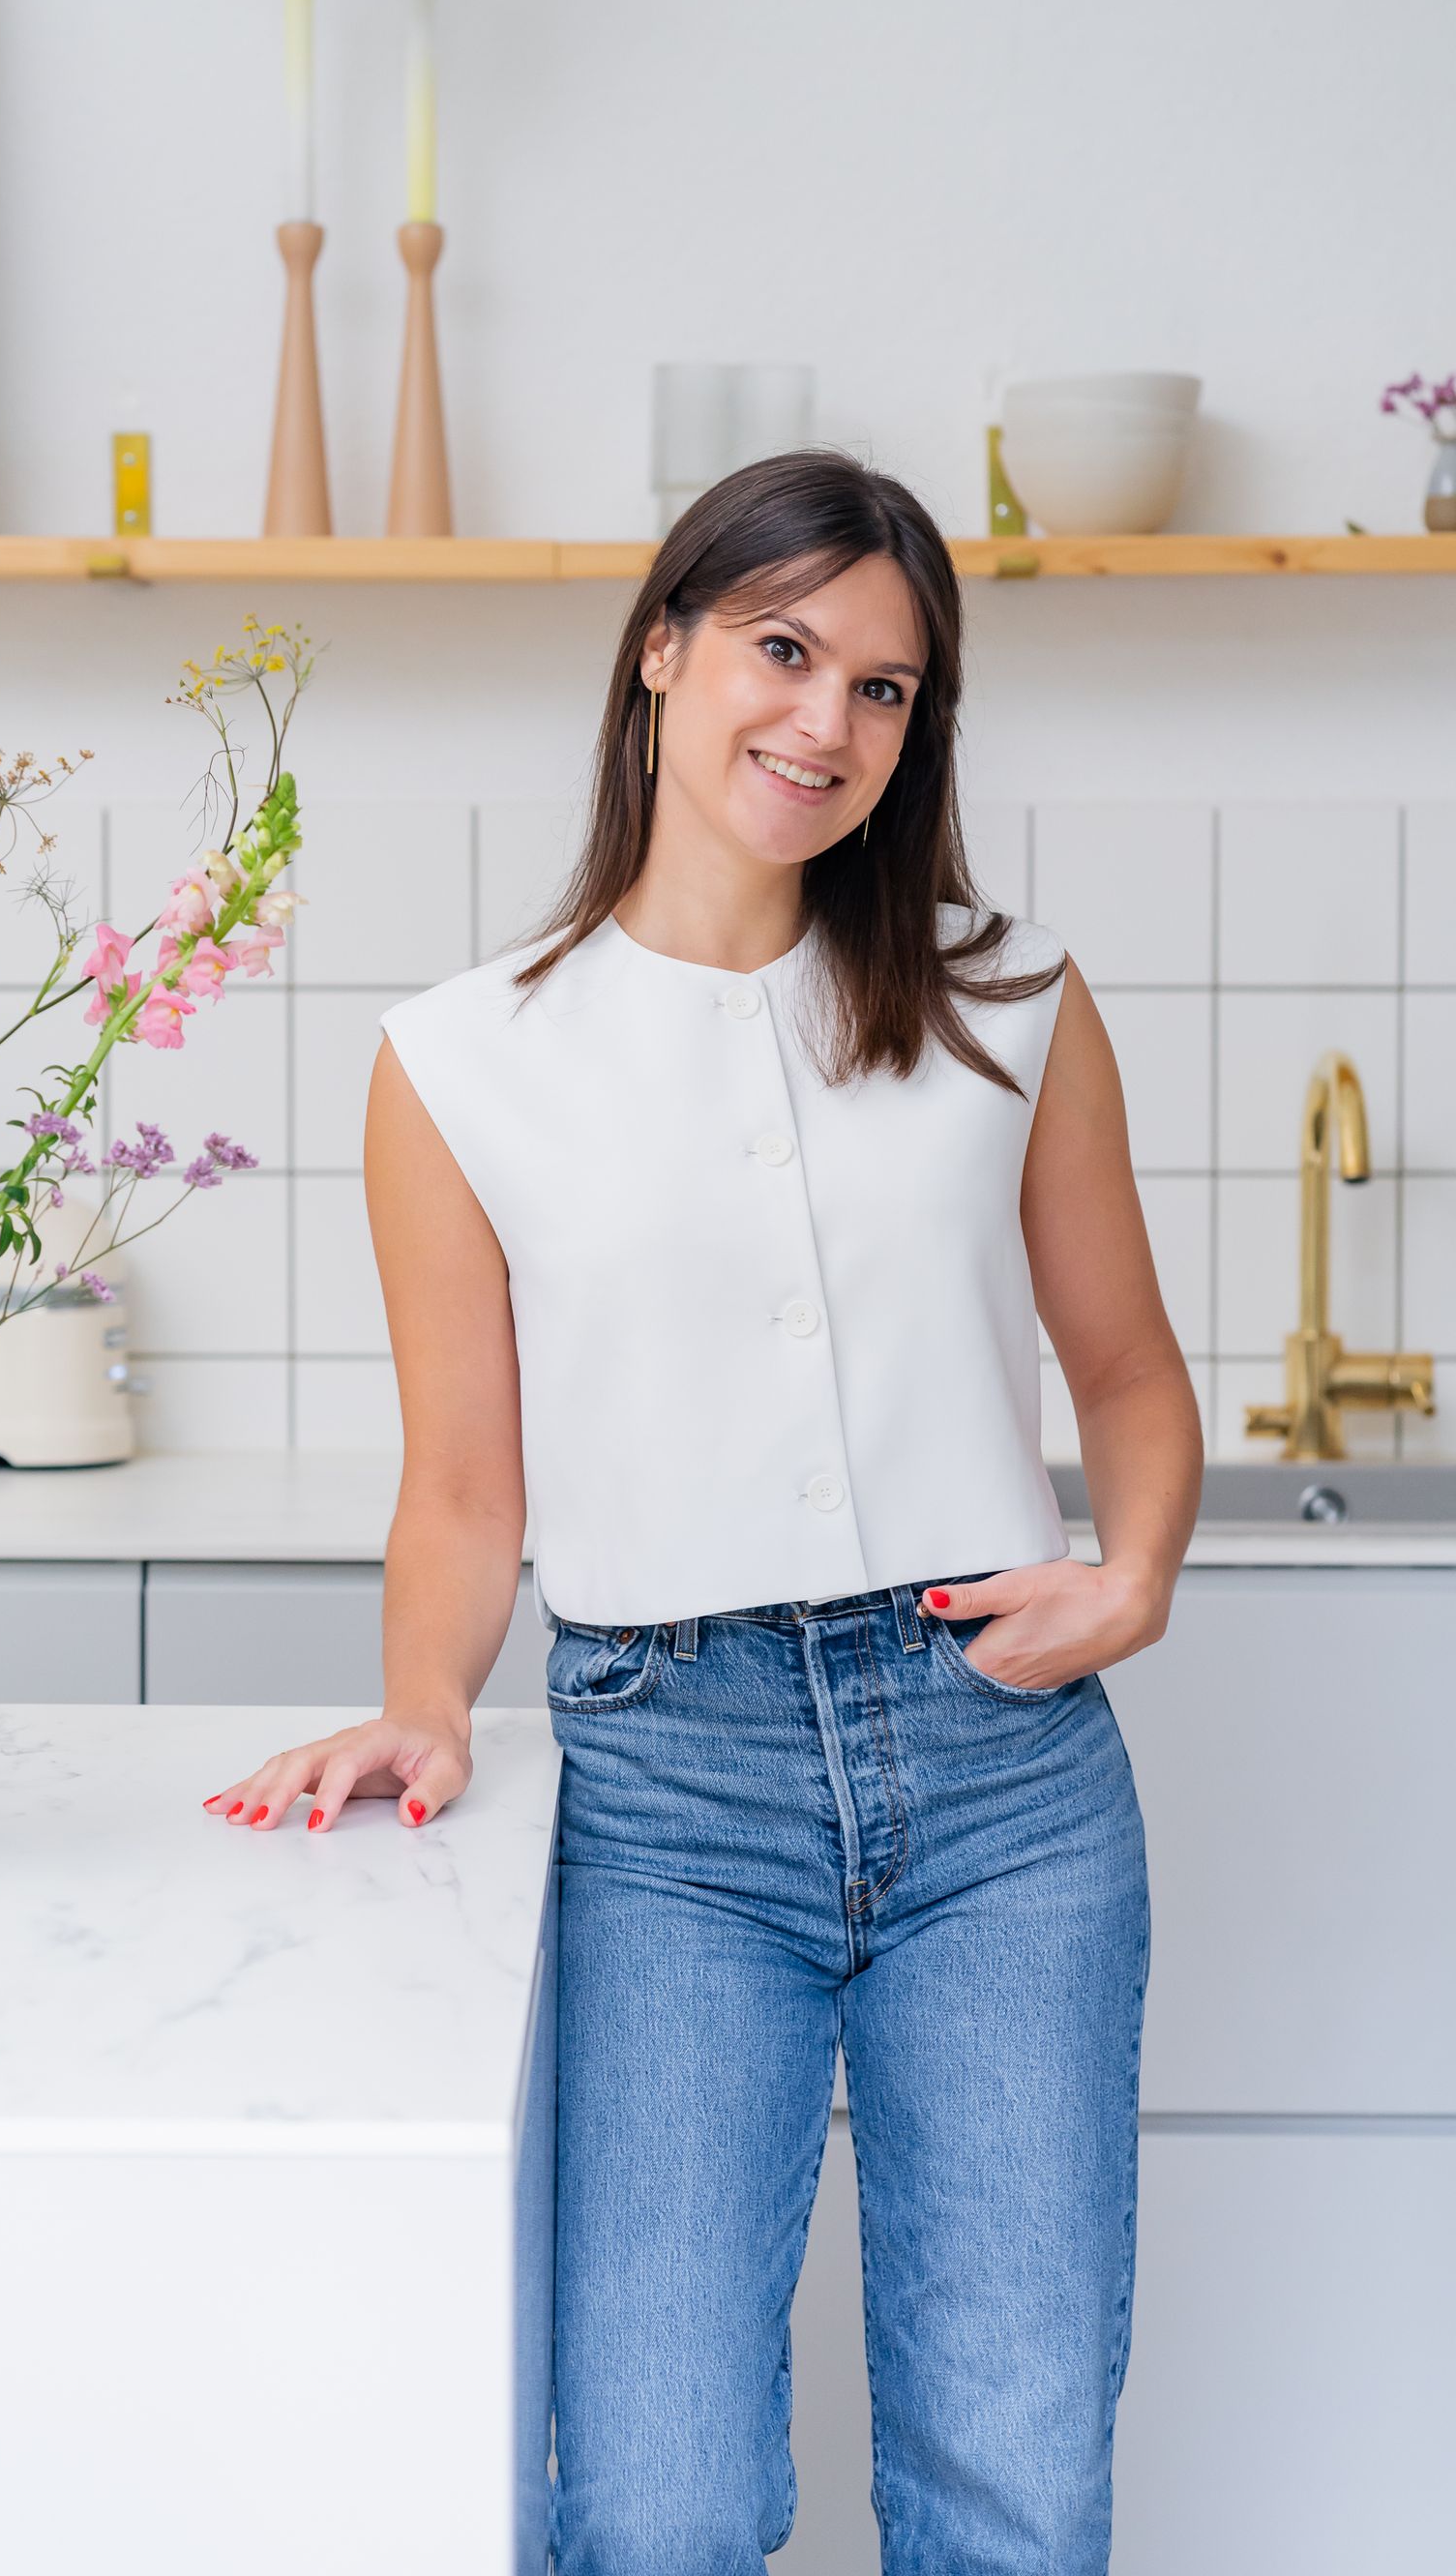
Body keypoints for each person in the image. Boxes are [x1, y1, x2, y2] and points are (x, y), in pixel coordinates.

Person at [207, 450, 1203, 2575]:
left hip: (1006, 1774)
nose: (827, 722)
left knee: (1012, 2479)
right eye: (782, 648)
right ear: (661, 650)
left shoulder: (1009, 1001)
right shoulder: (457, 1063)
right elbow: (469, 1490)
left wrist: (1136, 1573)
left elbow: (1125, 1373)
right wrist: (425, 1701)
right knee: (655, 2499)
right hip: (671, 1793)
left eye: (888, 688)